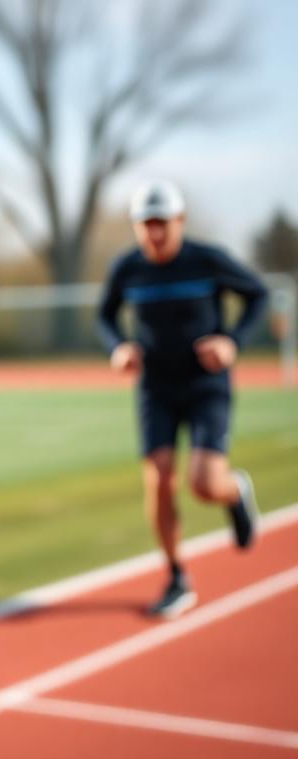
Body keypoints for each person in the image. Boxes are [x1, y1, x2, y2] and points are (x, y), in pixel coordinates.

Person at [98, 180, 268, 620]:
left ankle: (235, 491)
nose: (154, 234)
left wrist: (232, 340)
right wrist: (119, 345)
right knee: (158, 476)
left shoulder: (207, 260)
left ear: (180, 222)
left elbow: (257, 294)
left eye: (161, 224)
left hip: (205, 382)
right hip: (156, 386)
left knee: (204, 483)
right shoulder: (128, 268)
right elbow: (105, 314)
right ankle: (176, 574)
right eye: (145, 225)